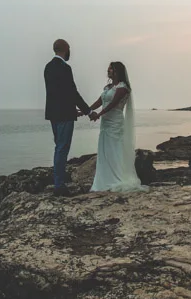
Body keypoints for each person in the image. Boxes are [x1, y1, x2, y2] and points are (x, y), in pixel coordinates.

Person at [87, 61, 148, 193]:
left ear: (118, 71)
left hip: (115, 122)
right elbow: (99, 102)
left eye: (111, 69)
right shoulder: (107, 88)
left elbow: (114, 103)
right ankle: (104, 178)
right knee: (105, 150)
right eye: (108, 69)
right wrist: (86, 111)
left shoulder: (123, 87)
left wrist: (99, 114)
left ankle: (118, 177)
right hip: (105, 123)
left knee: (115, 149)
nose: (108, 71)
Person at [44, 39, 91, 196]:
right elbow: (71, 92)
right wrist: (88, 111)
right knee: (62, 148)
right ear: (65, 49)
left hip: (53, 113)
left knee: (59, 147)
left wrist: (74, 109)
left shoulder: (48, 67)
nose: (70, 51)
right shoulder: (65, 68)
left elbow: (55, 93)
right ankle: (59, 185)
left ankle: (58, 182)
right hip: (64, 114)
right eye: (69, 48)